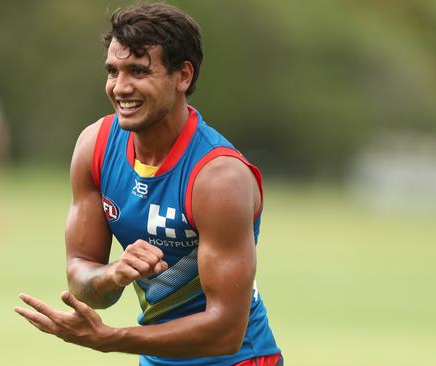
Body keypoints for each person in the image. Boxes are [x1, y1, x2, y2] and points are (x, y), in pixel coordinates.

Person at [14, 3, 282, 365]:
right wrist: (113, 275)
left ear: (182, 76)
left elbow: (226, 333)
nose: (121, 87)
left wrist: (111, 339)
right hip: (155, 359)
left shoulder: (218, 177)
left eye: (138, 71)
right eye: (113, 71)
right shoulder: (95, 147)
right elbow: (84, 278)